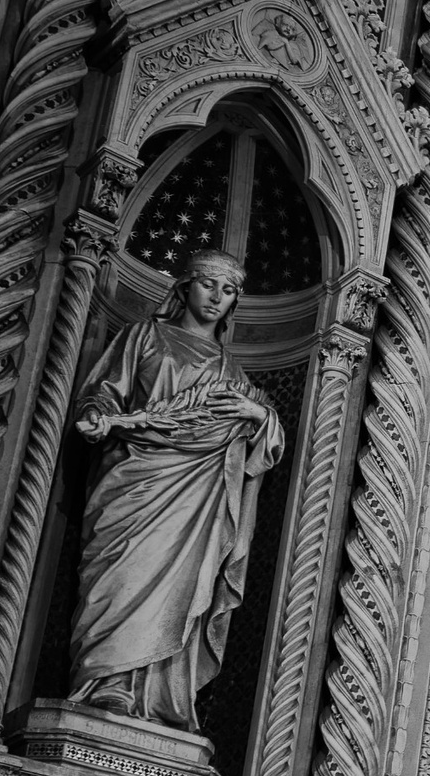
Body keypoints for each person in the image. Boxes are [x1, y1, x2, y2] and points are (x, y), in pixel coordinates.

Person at [66, 248, 284, 729]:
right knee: (121, 577)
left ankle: (158, 697)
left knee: (180, 589)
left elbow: (263, 435)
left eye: (228, 291)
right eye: (209, 285)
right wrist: (98, 413)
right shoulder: (144, 335)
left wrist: (259, 417)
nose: (217, 298)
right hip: (136, 481)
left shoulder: (233, 371)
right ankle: (106, 684)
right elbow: (106, 390)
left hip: (197, 496)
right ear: (184, 285)